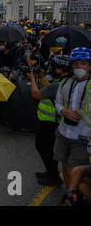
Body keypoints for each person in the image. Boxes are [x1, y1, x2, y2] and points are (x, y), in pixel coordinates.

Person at [27, 55, 71, 186]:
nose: (51, 69)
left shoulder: (57, 85)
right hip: (55, 121)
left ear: (59, 70)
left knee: (43, 148)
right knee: (49, 148)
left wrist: (33, 79)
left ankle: (53, 176)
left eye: (53, 67)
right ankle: (51, 172)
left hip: (49, 122)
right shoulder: (66, 81)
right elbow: (48, 90)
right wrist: (40, 77)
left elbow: (37, 94)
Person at [53, 47, 91, 199]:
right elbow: (57, 103)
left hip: (82, 138)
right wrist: (63, 111)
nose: (79, 67)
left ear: (90, 65)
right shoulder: (65, 82)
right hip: (63, 132)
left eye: (83, 63)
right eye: (76, 64)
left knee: (77, 169)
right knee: (64, 164)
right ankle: (69, 193)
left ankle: (74, 194)